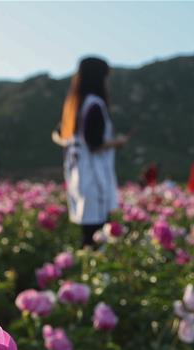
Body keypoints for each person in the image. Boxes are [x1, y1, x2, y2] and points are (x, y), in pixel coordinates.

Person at [52, 57, 128, 248]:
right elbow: (94, 144)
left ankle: (83, 272)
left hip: (77, 176)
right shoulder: (95, 105)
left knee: (87, 234)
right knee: (97, 237)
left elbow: (58, 134)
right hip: (95, 179)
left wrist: (68, 142)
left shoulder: (73, 105)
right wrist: (117, 142)